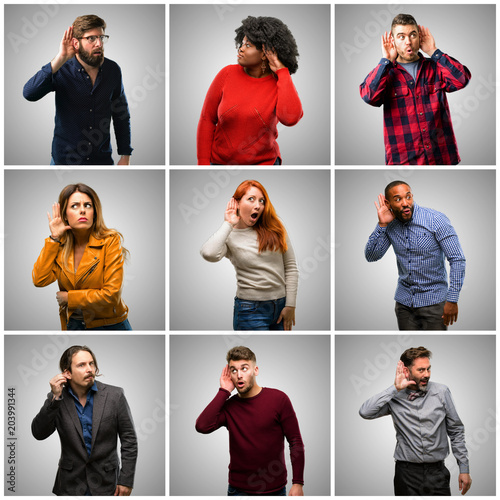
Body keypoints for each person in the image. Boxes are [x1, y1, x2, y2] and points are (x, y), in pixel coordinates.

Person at [359, 14, 471, 165]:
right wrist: (386, 60)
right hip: (404, 162)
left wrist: (433, 51)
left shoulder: (436, 67)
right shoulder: (386, 73)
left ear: (420, 38)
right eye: (401, 37)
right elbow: (369, 96)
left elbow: (462, 79)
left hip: (442, 157)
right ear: (393, 41)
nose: (408, 42)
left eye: (413, 35)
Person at [359, 346, 471, 496]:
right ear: (407, 371)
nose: (427, 375)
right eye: (421, 370)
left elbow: (456, 431)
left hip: (437, 473)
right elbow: (365, 412)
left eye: (428, 369)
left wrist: (464, 469)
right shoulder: (394, 397)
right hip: (406, 474)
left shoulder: (442, 392)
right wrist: (394, 388)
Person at [23, 15, 132, 165]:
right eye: (91, 39)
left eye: (101, 37)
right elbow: (29, 93)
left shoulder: (113, 70)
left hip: (102, 160)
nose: (99, 44)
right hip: (64, 161)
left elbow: (121, 114)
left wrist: (125, 155)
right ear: (76, 42)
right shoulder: (60, 69)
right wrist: (60, 58)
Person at [196, 346, 305, 496]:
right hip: (238, 491)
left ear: (256, 370)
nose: (239, 375)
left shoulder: (279, 399)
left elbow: (295, 441)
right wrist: (224, 391)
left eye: (244, 368)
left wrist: (298, 483)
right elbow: (202, 426)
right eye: (233, 370)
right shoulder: (229, 406)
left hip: (275, 490)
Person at [32, 345, 137, 496]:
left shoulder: (115, 395)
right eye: (81, 365)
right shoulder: (56, 399)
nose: (89, 369)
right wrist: (55, 399)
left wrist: (126, 480)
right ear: (67, 373)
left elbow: (129, 440)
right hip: (69, 485)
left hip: (107, 484)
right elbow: (39, 433)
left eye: (91, 363)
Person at [197, 15, 303, 165]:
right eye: (242, 43)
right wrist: (202, 163)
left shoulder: (280, 83)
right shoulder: (227, 74)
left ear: (265, 53)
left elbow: (290, 119)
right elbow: (207, 119)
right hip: (219, 163)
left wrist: (282, 71)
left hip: (264, 164)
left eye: (248, 45)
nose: (240, 48)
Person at [365, 180, 465, 330]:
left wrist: (452, 299)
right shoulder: (389, 224)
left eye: (408, 197)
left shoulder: (436, 220)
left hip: (435, 303)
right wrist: (382, 225)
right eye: (398, 199)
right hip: (404, 305)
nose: (405, 203)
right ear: (388, 203)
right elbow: (372, 256)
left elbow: (457, 259)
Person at [200, 180, 298, 330]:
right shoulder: (229, 235)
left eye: (261, 201)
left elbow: (290, 267)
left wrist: (290, 305)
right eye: (251, 199)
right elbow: (208, 253)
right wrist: (228, 223)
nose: (257, 205)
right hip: (250, 310)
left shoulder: (275, 227)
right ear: (237, 202)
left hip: (281, 306)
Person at [33, 183, 132, 330]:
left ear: (95, 212)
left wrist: (69, 298)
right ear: (65, 215)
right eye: (74, 206)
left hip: (110, 323)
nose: (82, 211)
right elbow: (39, 280)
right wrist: (54, 238)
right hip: (73, 323)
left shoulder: (110, 240)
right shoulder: (59, 245)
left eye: (87, 205)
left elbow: (111, 295)